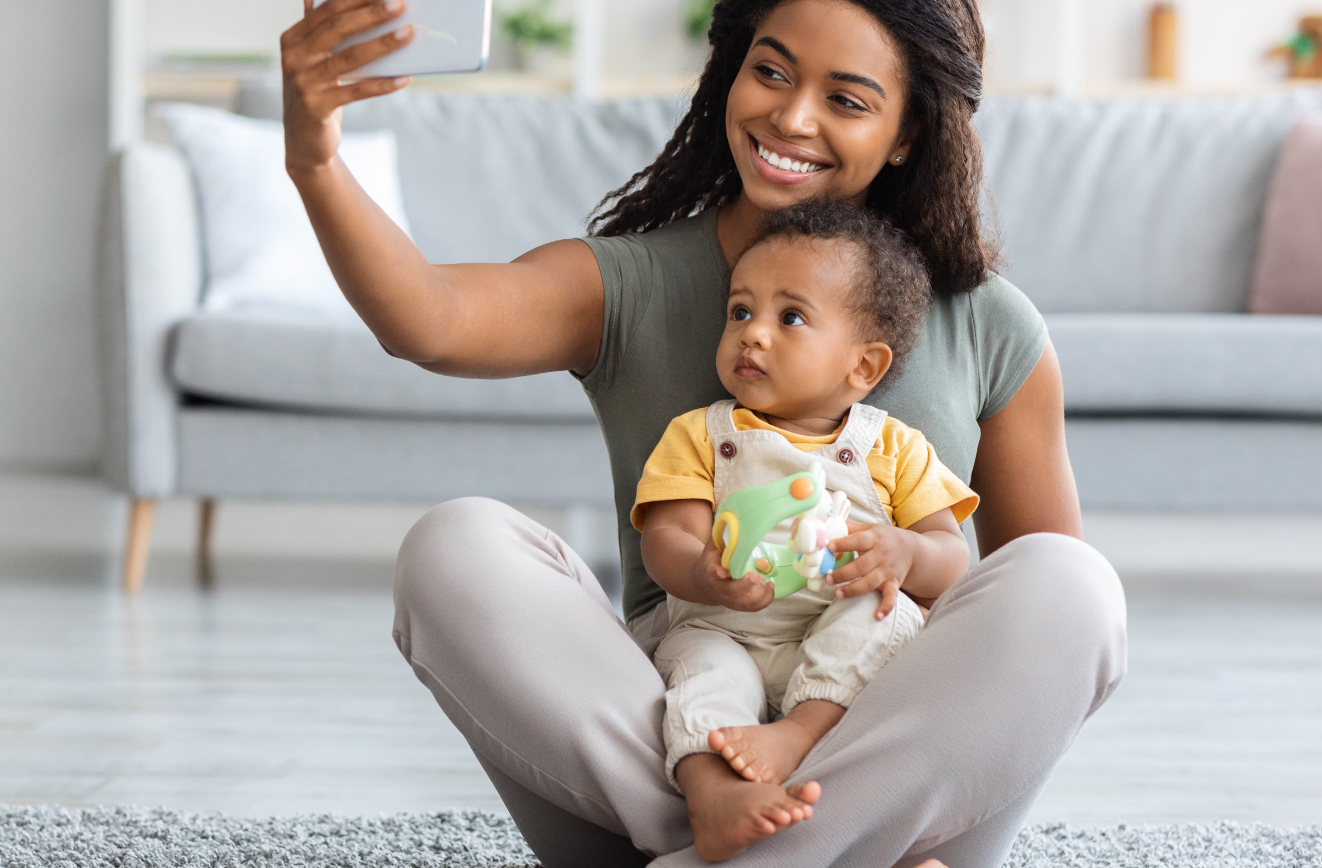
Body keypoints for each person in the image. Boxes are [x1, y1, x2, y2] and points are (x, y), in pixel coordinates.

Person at [278, 0, 1128, 865]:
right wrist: (316, 160)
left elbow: (1037, 639)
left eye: (848, 98)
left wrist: (905, 564)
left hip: (890, 740)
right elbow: (432, 321)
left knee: (1075, 583)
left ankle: (754, 850)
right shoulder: (633, 281)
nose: (791, 117)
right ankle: (757, 836)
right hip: (681, 726)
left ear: (907, 133)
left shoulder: (991, 325)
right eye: (771, 70)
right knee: (453, 545)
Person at [636, 199, 981, 861]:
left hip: (836, 650)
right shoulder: (702, 436)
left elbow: (951, 558)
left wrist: (904, 553)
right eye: (741, 311)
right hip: (726, 628)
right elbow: (666, 539)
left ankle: (801, 739)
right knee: (704, 675)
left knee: (889, 620)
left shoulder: (894, 449)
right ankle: (712, 797)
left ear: (863, 368)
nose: (753, 334)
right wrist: (703, 572)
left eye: (789, 317)